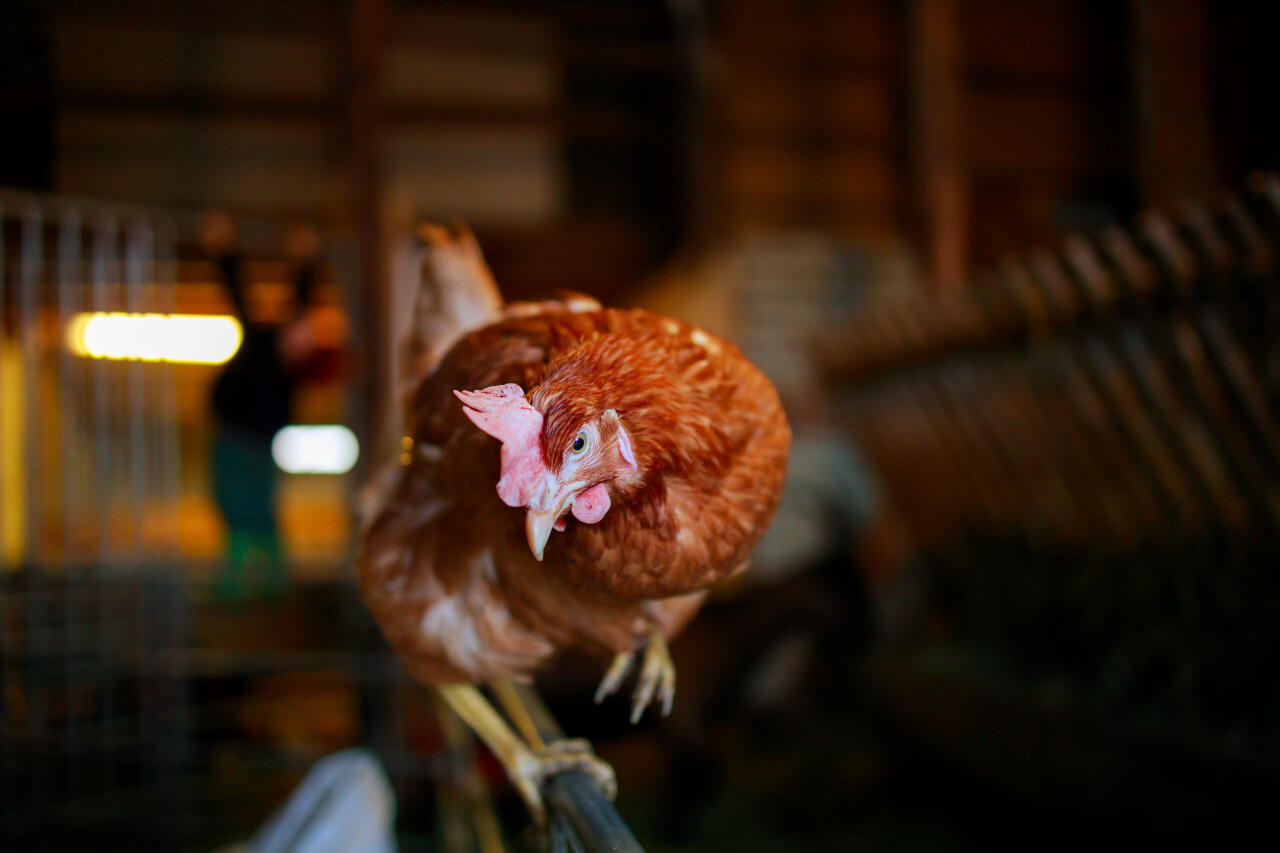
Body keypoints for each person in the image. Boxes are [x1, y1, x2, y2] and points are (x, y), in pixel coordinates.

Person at [202, 211, 321, 600]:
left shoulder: (291, 367)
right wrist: (223, 249)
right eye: (302, 333)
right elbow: (240, 297)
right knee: (237, 509)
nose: (304, 341)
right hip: (233, 437)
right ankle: (240, 581)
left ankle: (272, 583)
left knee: (261, 510)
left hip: (257, 443)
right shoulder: (262, 344)